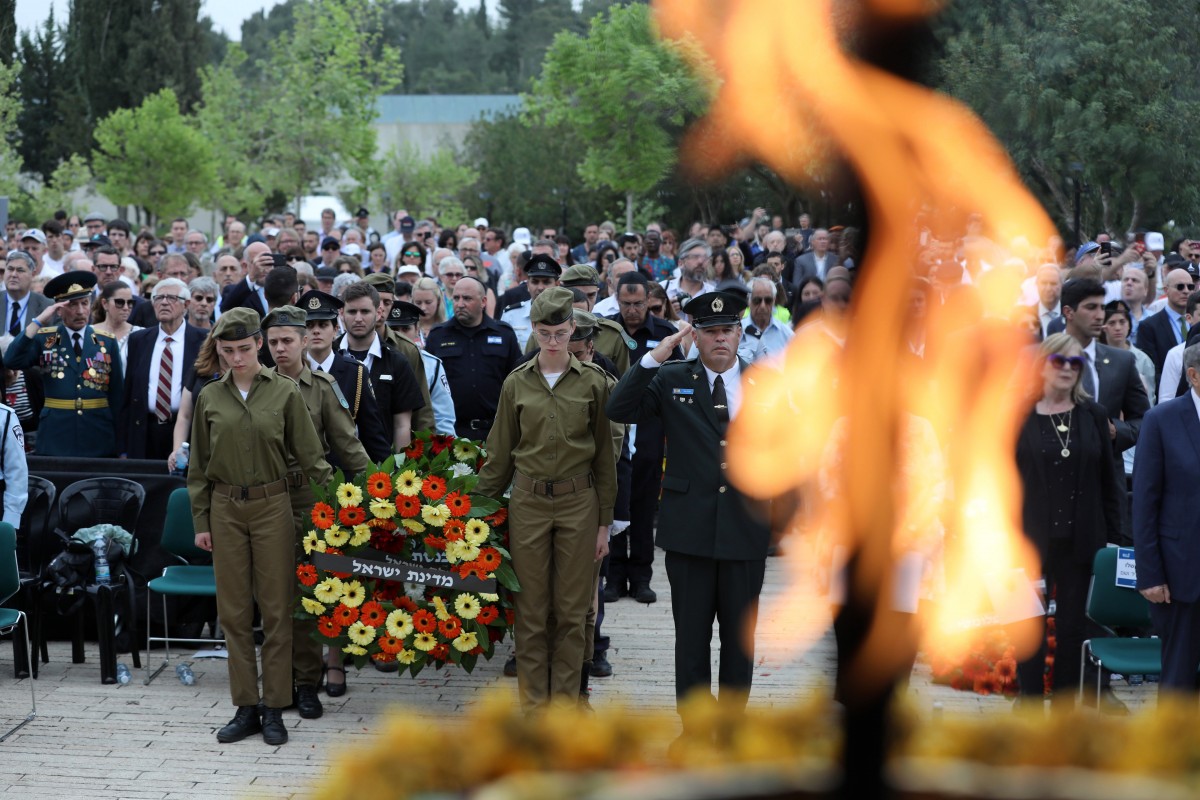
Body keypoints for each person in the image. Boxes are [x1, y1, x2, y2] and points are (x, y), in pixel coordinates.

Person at [606, 291, 770, 729]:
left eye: (727, 331)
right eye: (710, 332)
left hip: (745, 528)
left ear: (739, 334)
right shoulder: (672, 377)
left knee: (740, 640)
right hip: (689, 528)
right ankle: (695, 730)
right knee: (692, 639)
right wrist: (656, 355)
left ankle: (733, 731)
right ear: (693, 336)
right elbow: (618, 408)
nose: (720, 339)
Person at [188, 307, 333, 746]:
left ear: (259, 346)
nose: (236, 358)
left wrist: (345, 508)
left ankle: (274, 707)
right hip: (226, 508)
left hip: (274, 507)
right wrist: (201, 520)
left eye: (244, 349)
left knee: (277, 611)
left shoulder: (285, 392)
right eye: (227, 351)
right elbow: (198, 467)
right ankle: (246, 706)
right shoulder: (210, 398)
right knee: (232, 614)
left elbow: (312, 458)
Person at [476, 287, 616, 712]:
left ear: (573, 329)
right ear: (533, 331)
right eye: (543, 333)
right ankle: (534, 710)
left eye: (559, 332)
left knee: (573, 614)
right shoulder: (516, 383)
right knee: (532, 612)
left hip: (579, 502)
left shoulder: (594, 383)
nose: (552, 342)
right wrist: (469, 516)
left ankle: (566, 707)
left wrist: (605, 524)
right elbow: (498, 456)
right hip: (529, 502)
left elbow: (605, 460)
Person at [262, 305, 371, 717]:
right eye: (273, 342)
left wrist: (373, 496)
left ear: (306, 341)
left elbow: (349, 447)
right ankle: (277, 682)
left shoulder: (323, 387)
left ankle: (307, 682)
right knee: (273, 594)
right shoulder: (257, 385)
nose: (280, 349)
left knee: (308, 593)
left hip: (311, 500)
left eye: (287, 340)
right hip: (267, 499)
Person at [1014, 333, 1121, 711]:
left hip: (1080, 543)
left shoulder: (1093, 414)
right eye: (1058, 361)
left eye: (1075, 363)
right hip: (1027, 543)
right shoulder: (1018, 416)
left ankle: (1061, 711)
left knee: (1073, 630)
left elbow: (1111, 482)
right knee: (1027, 629)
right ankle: (1027, 708)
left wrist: (1116, 540)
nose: (1066, 369)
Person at [1133, 342, 1200, 693]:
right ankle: (1175, 747)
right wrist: (1150, 574)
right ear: (1194, 375)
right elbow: (1145, 502)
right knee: (1178, 679)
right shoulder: (1161, 420)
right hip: (1182, 573)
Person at [5, 270, 124, 457]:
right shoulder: (45, 339)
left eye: (84, 303)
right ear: (59, 309)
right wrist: (37, 322)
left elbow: (117, 394)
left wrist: (121, 444)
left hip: (97, 432)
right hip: (56, 433)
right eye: (72, 305)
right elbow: (11, 360)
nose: (80, 311)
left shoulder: (106, 341)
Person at [299, 290, 393, 463]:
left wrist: (388, 474)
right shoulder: (292, 371)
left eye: (323, 325)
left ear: (335, 329)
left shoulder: (355, 372)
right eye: (310, 325)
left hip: (345, 474)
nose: (316, 331)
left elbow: (371, 430)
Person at [119, 278, 207, 459]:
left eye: (172, 298)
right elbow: (128, 393)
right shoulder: (139, 340)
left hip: (187, 432)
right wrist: (123, 446)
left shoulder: (203, 341)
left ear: (186, 305)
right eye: (158, 298)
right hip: (144, 431)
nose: (164, 302)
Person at [425, 276, 522, 440]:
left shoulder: (504, 334)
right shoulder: (438, 336)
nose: (460, 304)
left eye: (467, 298)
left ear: (483, 301)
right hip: (451, 432)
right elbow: (427, 385)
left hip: (495, 431)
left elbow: (518, 382)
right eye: (456, 298)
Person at [337, 282, 424, 451]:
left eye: (365, 311)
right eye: (352, 311)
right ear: (341, 313)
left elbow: (402, 425)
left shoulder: (397, 361)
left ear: (378, 313)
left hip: (382, 465)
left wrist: (398, 469)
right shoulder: (330, 356)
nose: (358, 318)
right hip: (336, 467)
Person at [386, 300, 457, 436]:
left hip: (419, 444)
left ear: (417, 330)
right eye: (394, 329)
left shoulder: (432, 365)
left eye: (406, 329)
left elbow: (443, 417)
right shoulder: (373, 359)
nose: (400, 335)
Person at [1136, 267, 1194, 385]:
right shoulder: (1148, 326)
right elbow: (1151, 371)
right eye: (1180, 286)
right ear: (1166, 290)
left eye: (1190, 287)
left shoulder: (1197, 321)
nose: (1186, 291)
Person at [1100, 300, 1155, 406]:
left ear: (1129, 325)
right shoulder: (1097, 356)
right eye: (1112, 323)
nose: (1118, 328)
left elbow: (1149, 400)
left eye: (1122, 322)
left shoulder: (1143, 359)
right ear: (1104, 327)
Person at [503, 254, 563, 351]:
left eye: (546, 282)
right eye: (535, 282)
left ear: (557, 285)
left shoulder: (566, 315)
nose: (540, 288)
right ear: (527, 285)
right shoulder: (511, 315)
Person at [738, 276, 793, 363]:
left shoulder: (787, 334)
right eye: (757, 300)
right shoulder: (737, 332)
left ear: (774, 301)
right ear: (749, 301)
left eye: (768, 300)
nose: (763, 306)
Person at [0, 251, 53, 338]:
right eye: (10, 269)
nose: (13, 275)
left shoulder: (47, 306)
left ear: (33, 274)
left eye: (20, 270)